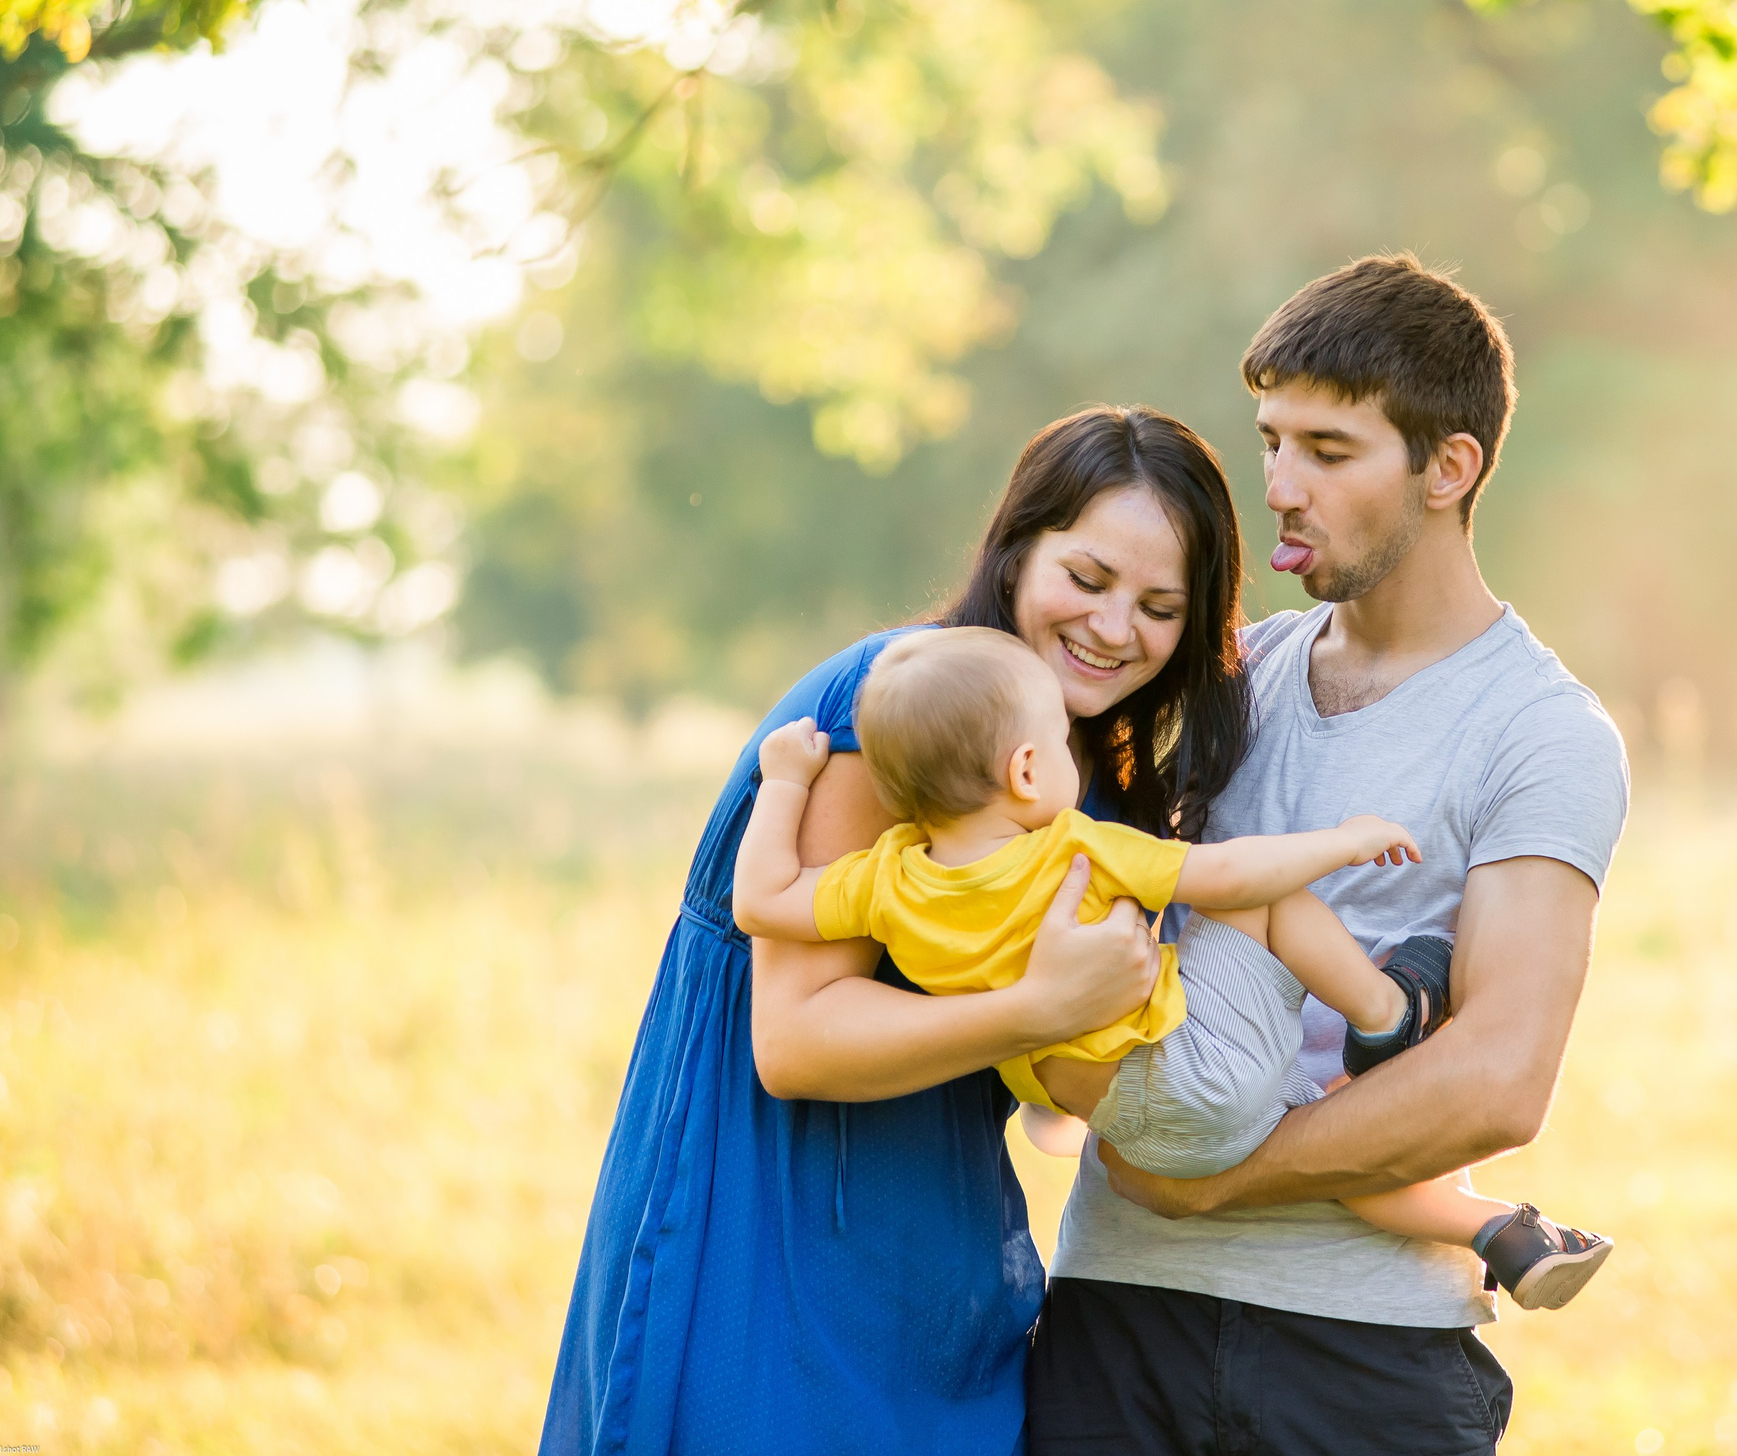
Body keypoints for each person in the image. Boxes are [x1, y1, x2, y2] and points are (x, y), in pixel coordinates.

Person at [539, 407, 1251, 1455]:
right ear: (1018, 550)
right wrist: (1037, 1004)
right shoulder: (903, 715)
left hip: (937, 1239)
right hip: (772, 1218)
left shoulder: (1069, 762)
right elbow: (794, 1039)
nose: (1113, 627)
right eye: (1087, 578)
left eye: (1159, 606)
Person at [1028, 256, 1632, 1455]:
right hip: (1115, 1317)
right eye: (1270, 441)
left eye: (1328, 449)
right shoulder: (1213, 676)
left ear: (1447, 467)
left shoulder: (1539, 732)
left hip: (1359, 1355)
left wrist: (1210, 1181)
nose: (1279, 487)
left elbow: (1498, 1077)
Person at [731, 627, 1613, 1309]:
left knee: (1322, 1127)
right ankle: (1386, 1011)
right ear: (1028, 768)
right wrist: (1343, 840)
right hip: (1183, 1066)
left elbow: (762, 902)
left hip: (1129, 1126)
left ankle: (1500, 1231)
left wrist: (782, 780)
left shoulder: (887, 880)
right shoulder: (1066, 847)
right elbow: (1223, 874)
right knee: (1246, 900)